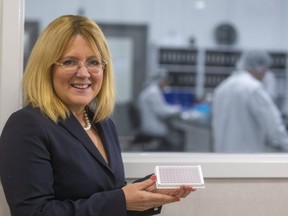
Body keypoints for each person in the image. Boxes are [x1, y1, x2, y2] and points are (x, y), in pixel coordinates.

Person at [0, 15, 195, 216]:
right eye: (69, 61)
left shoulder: (103, 123)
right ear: (45, 68)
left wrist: (147, 191)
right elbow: (34, 213)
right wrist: (122, 200)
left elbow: (106, 198)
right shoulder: (27, 126)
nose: (84, 73)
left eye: (93, 62)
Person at [212, 49, 288, 153]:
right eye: (265, 70)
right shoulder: (253, 88)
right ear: (260, 68)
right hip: (246, 156)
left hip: (222, 154)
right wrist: (285, 144)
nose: (265, 75)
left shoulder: (223, 87)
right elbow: (272, 123)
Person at [137, 69, 183, 151]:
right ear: (161, 80)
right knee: (176, 143)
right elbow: (162, 112)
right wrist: (177, 109)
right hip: (153, 129)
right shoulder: (153, 92)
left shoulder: (150, 90)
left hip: (150, 126)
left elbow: (161, 107)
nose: (167, 84)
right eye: (165, 82)